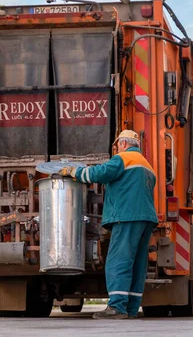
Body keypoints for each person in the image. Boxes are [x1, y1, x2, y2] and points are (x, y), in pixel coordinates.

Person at [59, 130, 158, 320]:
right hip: (145, 219)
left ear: (122, 144)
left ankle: (117, 307)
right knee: (137, 264)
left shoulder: (123, 159)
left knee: (118, 261)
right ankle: (130, 308)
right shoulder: (147, 165)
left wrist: (75, 172)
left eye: (117, 146)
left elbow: (101, 173)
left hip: (127, 217)